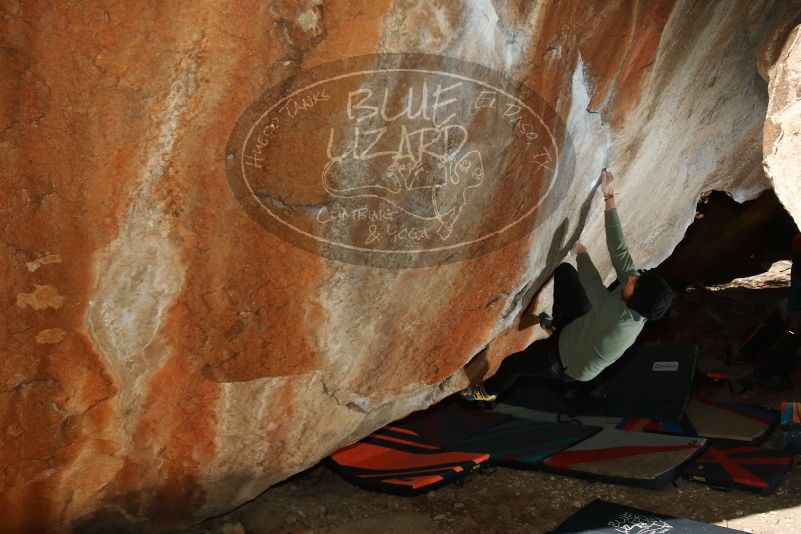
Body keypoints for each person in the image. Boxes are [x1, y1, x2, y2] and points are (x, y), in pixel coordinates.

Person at [462, 169, 674, 401]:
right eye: (637, 277)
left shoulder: (619, 321)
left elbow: (592, 284)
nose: (632, 278)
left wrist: (581, 252)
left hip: (566, 362)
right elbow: (619, 249)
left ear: (635, 300)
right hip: (583, 327)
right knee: (565, 273)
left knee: (513, 364)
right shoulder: (634, 294)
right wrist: (609, 197)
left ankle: (488, 392)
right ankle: (560, 326)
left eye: (635, 283)